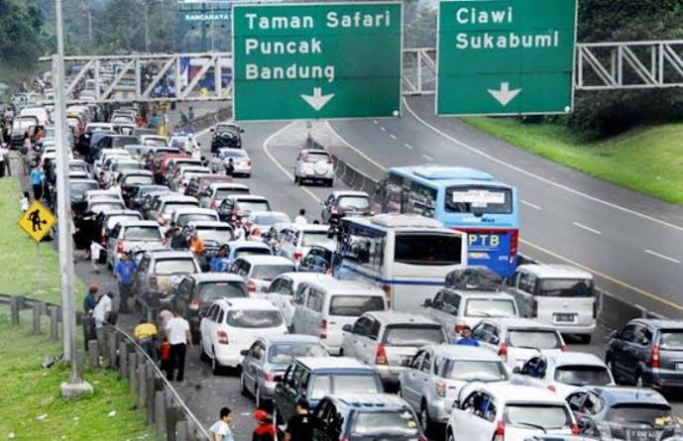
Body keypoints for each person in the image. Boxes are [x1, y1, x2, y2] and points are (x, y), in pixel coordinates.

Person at [165, 309, 192, 382]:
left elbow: (167, 331)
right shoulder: (185, 322)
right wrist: (190, 343)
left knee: (171, 361)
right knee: (181, 361)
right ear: (183, 313)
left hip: (172, 344)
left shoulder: (171, 321)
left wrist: (168, 341)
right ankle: (180, 377)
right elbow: (188, 333)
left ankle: (170, 376)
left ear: (175, 313)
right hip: (182, 344)